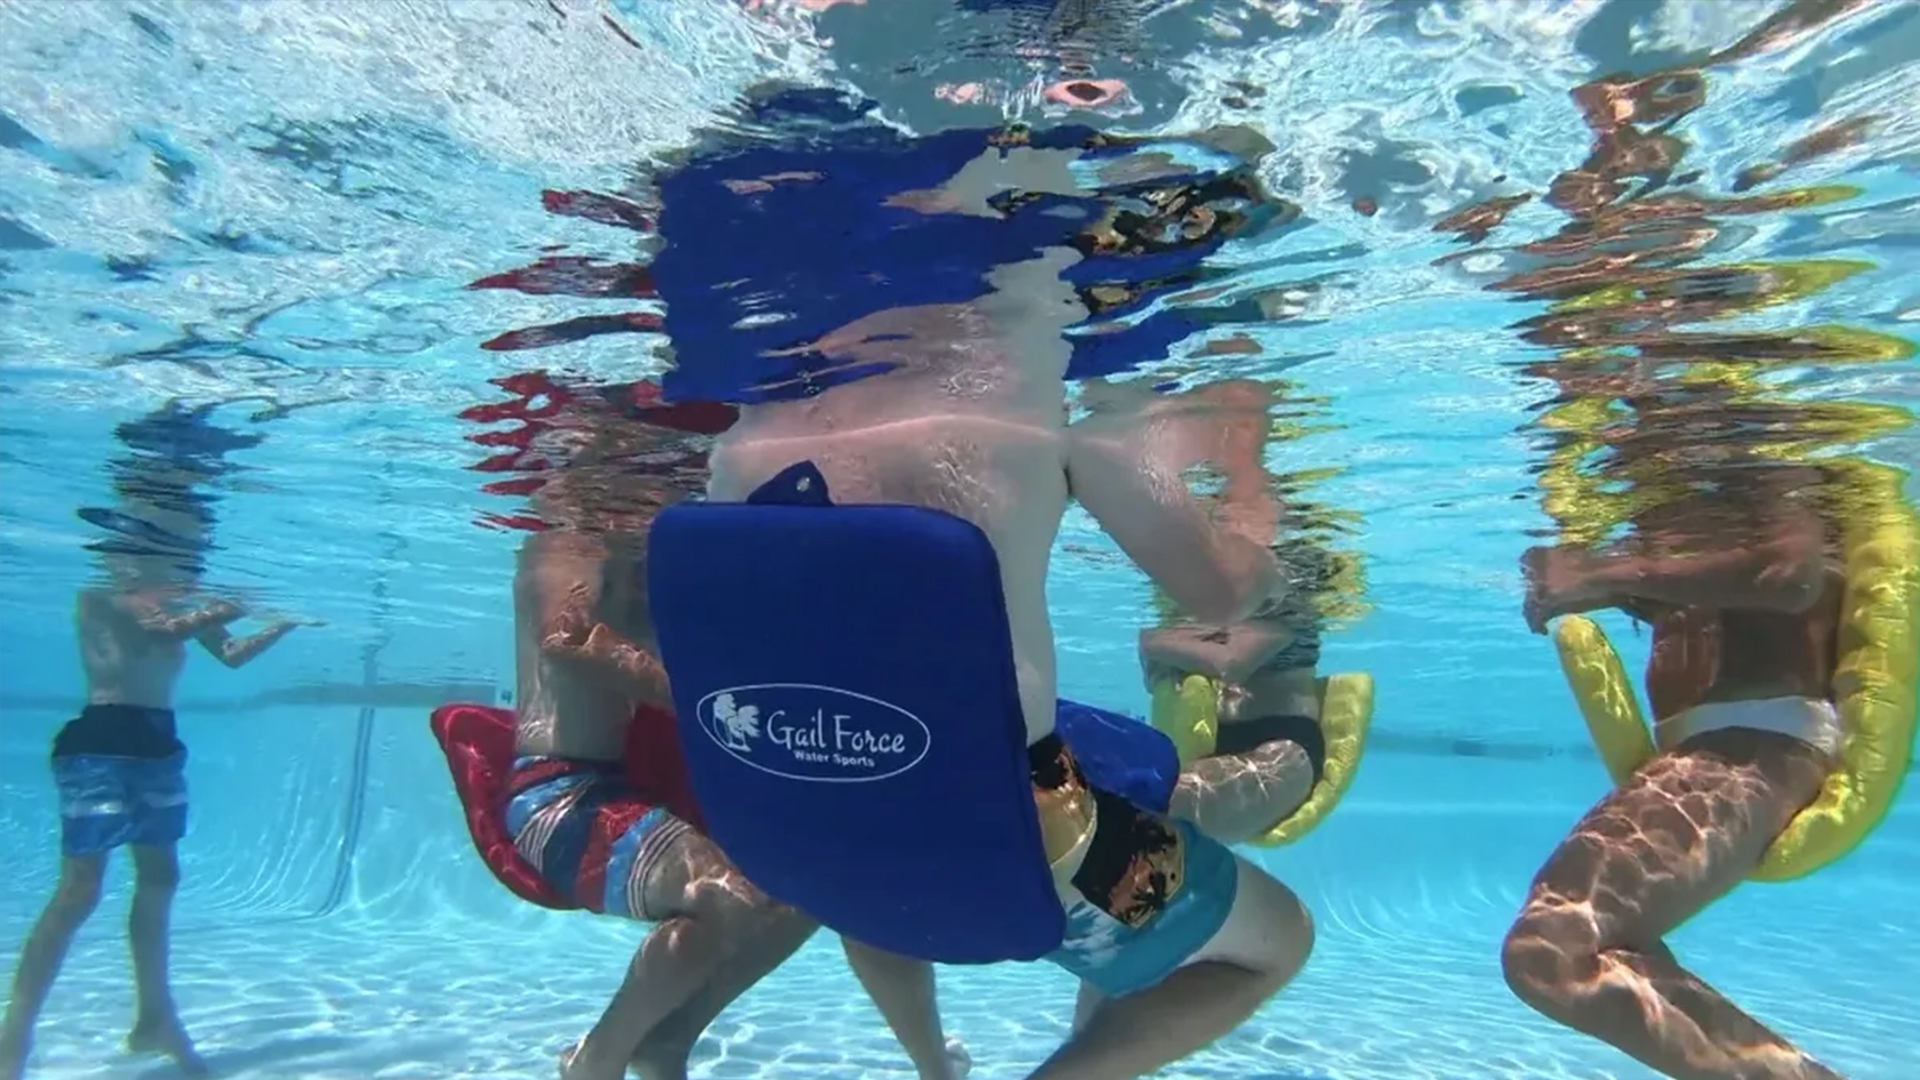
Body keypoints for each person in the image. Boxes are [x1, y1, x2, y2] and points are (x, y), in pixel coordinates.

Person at [697, 133, 1316, 1080]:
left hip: (796, 824)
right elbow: (1218, 592)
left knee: (907, 792)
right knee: (1276, 942)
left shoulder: (749, 417)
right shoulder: (1023, 384)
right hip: (1019, 831)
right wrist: (1258, 531)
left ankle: (936, 1070)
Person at [1506, 462, 1852, 1080]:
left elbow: (1791, 576)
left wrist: (1600, 573)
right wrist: (1606, 587)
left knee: (1548, 952)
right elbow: (1725, 592)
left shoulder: (1759, 438)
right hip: (1713, 751)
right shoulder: (1685, 456)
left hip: (1759, 738)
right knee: (1582, 950)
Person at [1, 524, 305, 1080]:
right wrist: (235, 602)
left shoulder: (179, 599)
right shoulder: (100, 593)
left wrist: (283, 623)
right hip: (100, 745)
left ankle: (155, 1016)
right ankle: (13, 1035)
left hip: (158, 745)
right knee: (80, 890)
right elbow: (164, 631)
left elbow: (231, 654)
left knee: (161, 878)